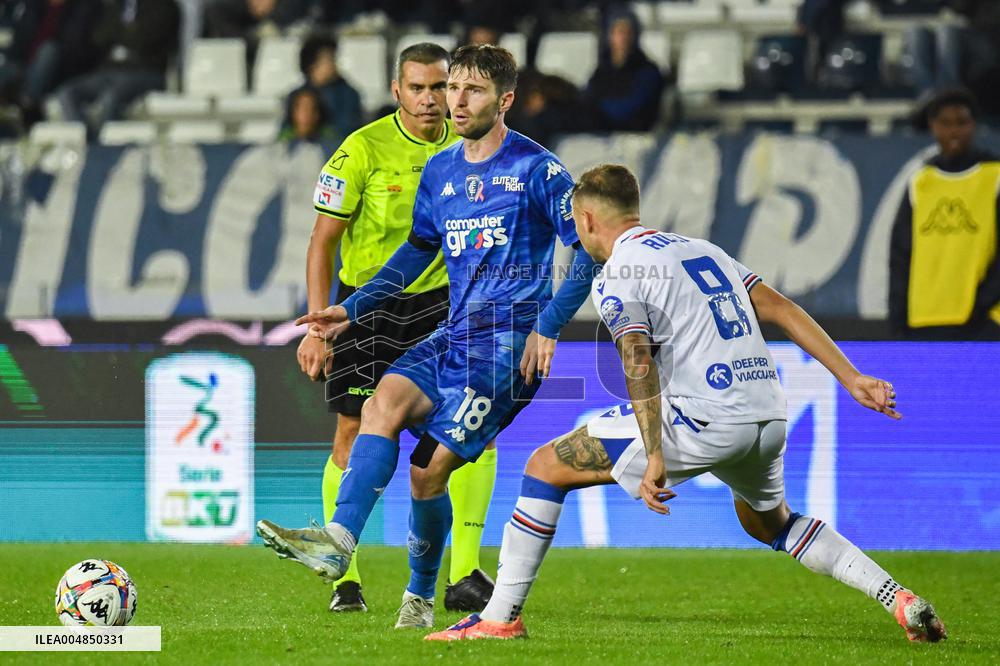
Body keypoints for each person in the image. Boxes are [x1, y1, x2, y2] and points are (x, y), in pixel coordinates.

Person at [425, 164, 948, 643]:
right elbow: (781, 308)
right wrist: (851, 377)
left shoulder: (621, 270)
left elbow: (637, 358)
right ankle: (898, 598)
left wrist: (655, 453)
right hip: (766, 410)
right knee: (770, 523)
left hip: (703, 415)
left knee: (544, 467)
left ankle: (499, 619)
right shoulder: (702, 249)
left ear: (586, 219)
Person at [257, 44, 599, 630]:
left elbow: (590, 249)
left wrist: (547, 325)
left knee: (427, 472)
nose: (453, 102)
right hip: (452, 335)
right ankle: (339, 541)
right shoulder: (441, 170)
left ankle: (419, 595)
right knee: (381, 406)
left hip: (505, 349)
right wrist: (349, 307)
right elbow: (416, 251)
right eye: (450, 89)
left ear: (505, 99)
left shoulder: (538, 170)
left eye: (470, 91)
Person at [283, 42, 503, 615]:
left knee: (470, 433)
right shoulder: (360, 150)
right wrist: (316, 327)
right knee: (352, 433)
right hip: (368, 309)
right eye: (419, 88)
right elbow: (322, 241)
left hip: (448, 304)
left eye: (441, 87)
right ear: (396, 91)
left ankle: (465, 575)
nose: (432, 100)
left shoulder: (473, 145)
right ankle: (345, 579)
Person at [889, 88, 1000, 340]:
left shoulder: (995, 176)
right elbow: (900, 256)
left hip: (984, 322)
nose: (954, 132)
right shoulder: (920, 182)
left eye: (961, 123)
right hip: (925, 319)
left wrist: (980, 306)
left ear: (973, 125)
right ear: (933, 126)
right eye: (945, 123)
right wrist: (898, 320)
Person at [54, 0, 180, 140]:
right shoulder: (117, 5)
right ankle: (89, 144)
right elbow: (99, 36)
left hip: (146, 72)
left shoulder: (164, 5)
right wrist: (127, 30)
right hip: (110, 71)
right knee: (67, 93)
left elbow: (143, 40)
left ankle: (103, 150)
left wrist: (118, 32)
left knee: (111, 97)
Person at [584, 7, 664, 132]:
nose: (624, 38)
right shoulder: (602, 69)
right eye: (619, 32)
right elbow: (589, 95)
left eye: (629, 32)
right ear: (610, 36)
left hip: (628, 129)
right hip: (598, 123)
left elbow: (630, 108)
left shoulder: (648, 71)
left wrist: (595, 111)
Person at [282, 34, 362, 141]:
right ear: (312, 64)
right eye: (329, 59)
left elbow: (348, 132)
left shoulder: (348, 95)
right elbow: (284, 133)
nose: (334, 64)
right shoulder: (296, 96)